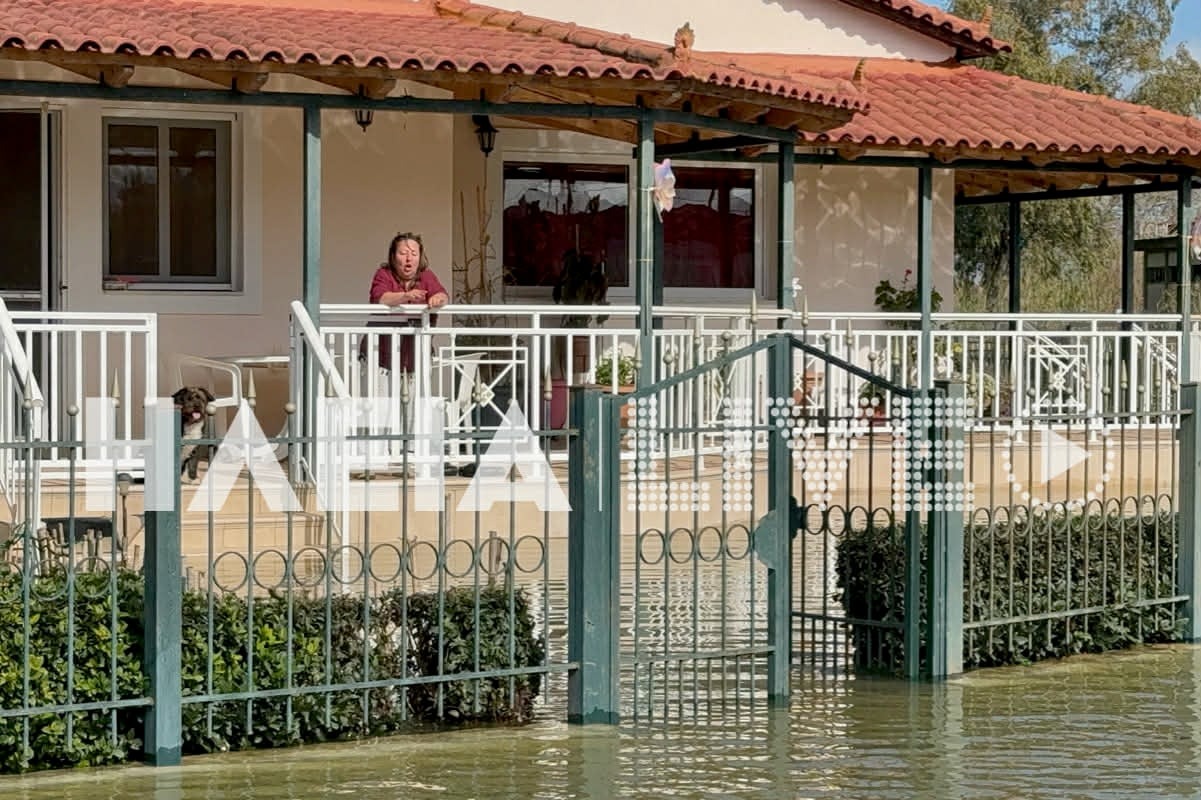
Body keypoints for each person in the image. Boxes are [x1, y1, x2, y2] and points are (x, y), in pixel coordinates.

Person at [360, 232, 449, 374]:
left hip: (416, 355)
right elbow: (380, 298)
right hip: (380, 356)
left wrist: (438, 299)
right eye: (403, 253)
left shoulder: (426, 276)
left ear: (420, 258)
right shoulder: (384, 274)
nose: (409, 258)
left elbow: (442, 295)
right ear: (393, 257)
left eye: (414, 253)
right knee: (381, 395)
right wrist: (405, 296)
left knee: (414, 396)